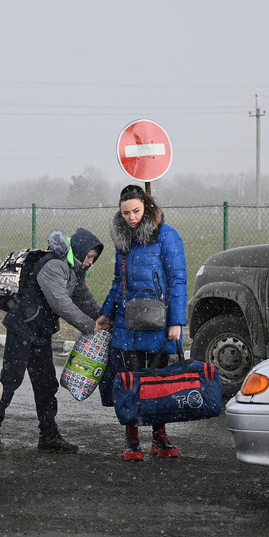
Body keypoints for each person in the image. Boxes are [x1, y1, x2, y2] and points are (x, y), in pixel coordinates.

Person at [0, 228, 104, 455]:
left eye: (93, 259)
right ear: (78, 250)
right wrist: (90, 326)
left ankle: (48, 436)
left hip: (40, 331)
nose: (90, 263)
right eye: (89, 257)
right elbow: (60, 303)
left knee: (46, 384)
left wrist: (106, 318)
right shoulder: (54, 265)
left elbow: (86, 301)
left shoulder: (73, 272)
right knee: (11, 380)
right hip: (22, 327)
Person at [96, 184, 188, 461]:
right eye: (125, 213)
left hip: (160, 322)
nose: (131, 217)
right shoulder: (123, 241)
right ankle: (131, 439)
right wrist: (106, 313)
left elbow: (178, 281)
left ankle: (159, 438)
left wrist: (177, 322)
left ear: (147, 207)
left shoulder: (168, 237)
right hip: (126, 323)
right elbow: (117, 283)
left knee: (158, 383)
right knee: (129, 383)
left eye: (135, 211)